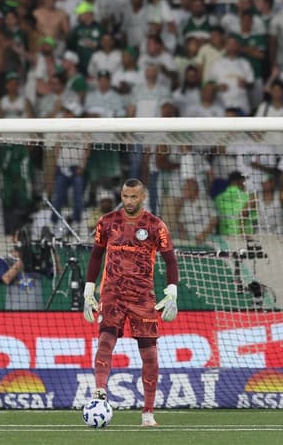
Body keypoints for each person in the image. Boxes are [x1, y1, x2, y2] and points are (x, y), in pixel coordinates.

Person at [83, 178, 179, 427]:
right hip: (112, 294)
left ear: (143, 196)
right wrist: (88, 289)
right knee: (105, 341)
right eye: (125, 196)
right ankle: (100, 393)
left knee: (150, 355)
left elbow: (170, 260)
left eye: (133, 197)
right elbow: (96, 255)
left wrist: (172, 292)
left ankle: (148, 412)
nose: (128, 201)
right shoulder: (107, 222)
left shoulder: (156, 226)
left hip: (142, 297)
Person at [0, 226, 44, 311]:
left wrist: (51, 250)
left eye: (26, 237)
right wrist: (21, 260)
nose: (24, 240)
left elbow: (58, 272)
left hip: (37, 312)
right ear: (12, 238)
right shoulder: (3, 259)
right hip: (15, 312)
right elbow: (6, 279)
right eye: (20, 237)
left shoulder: (36, 259)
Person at [215, 171, 256, 235]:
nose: (245, 184)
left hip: (224, 238)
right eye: (243, 181)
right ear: (238, 182)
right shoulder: (249, 198)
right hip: (244, 238)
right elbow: (255, 218)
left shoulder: (218, 198)